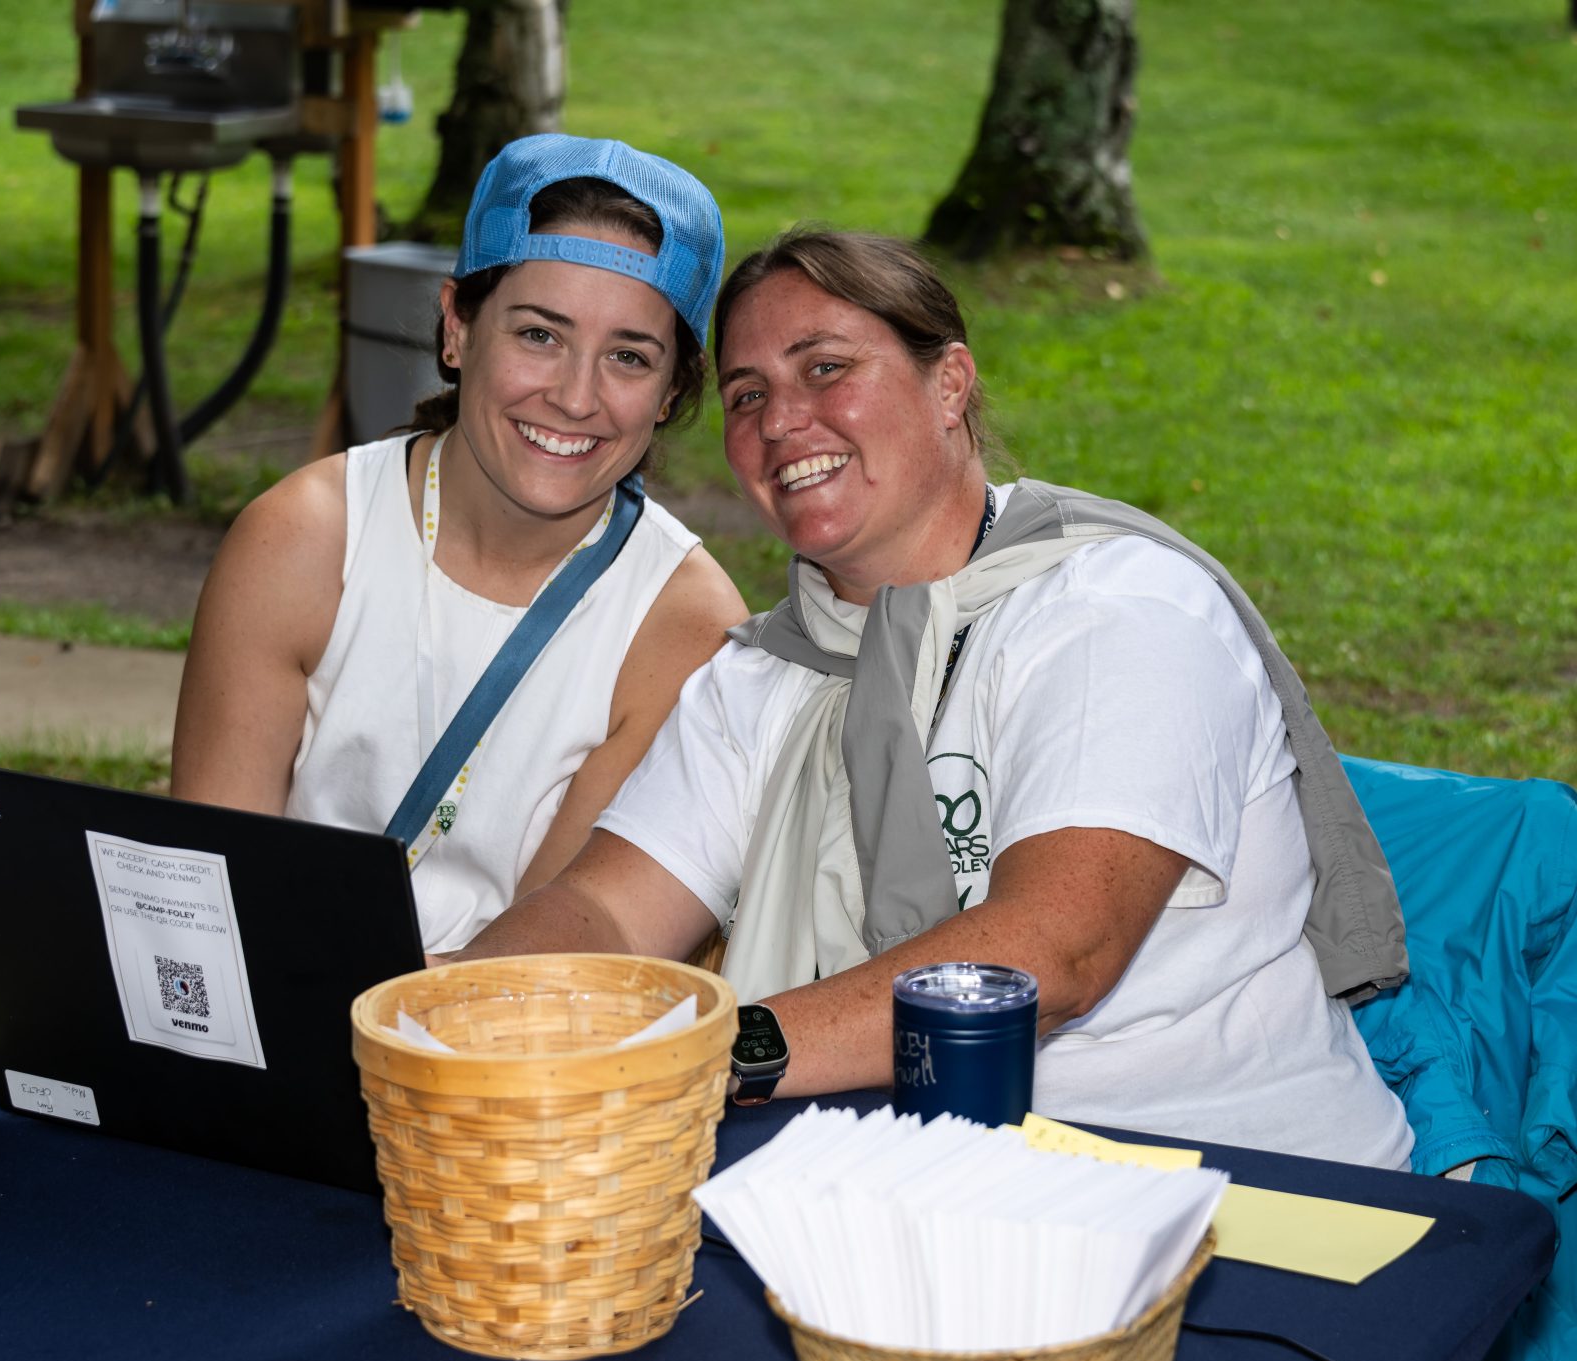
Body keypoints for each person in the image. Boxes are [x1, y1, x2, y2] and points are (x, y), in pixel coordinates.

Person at [454, 229, 1416, 1168]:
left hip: (1228, 1191)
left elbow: (1052, 954)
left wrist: (709, 1054)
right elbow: (610, 913)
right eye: (747, 396)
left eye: (825, 368)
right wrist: (448, 1016)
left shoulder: (1117, 611)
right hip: (908, 1186)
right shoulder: (763, 674)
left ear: (948, 385)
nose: (781, 420)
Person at [171, 136, 746, 954]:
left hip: (503, 1054)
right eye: (539, 335)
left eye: (628, 356)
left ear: (671, 393)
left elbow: (558, 955)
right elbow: (204, 890)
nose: (575, 396)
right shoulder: (305, 540)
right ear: (457, 328)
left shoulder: (679, 626)